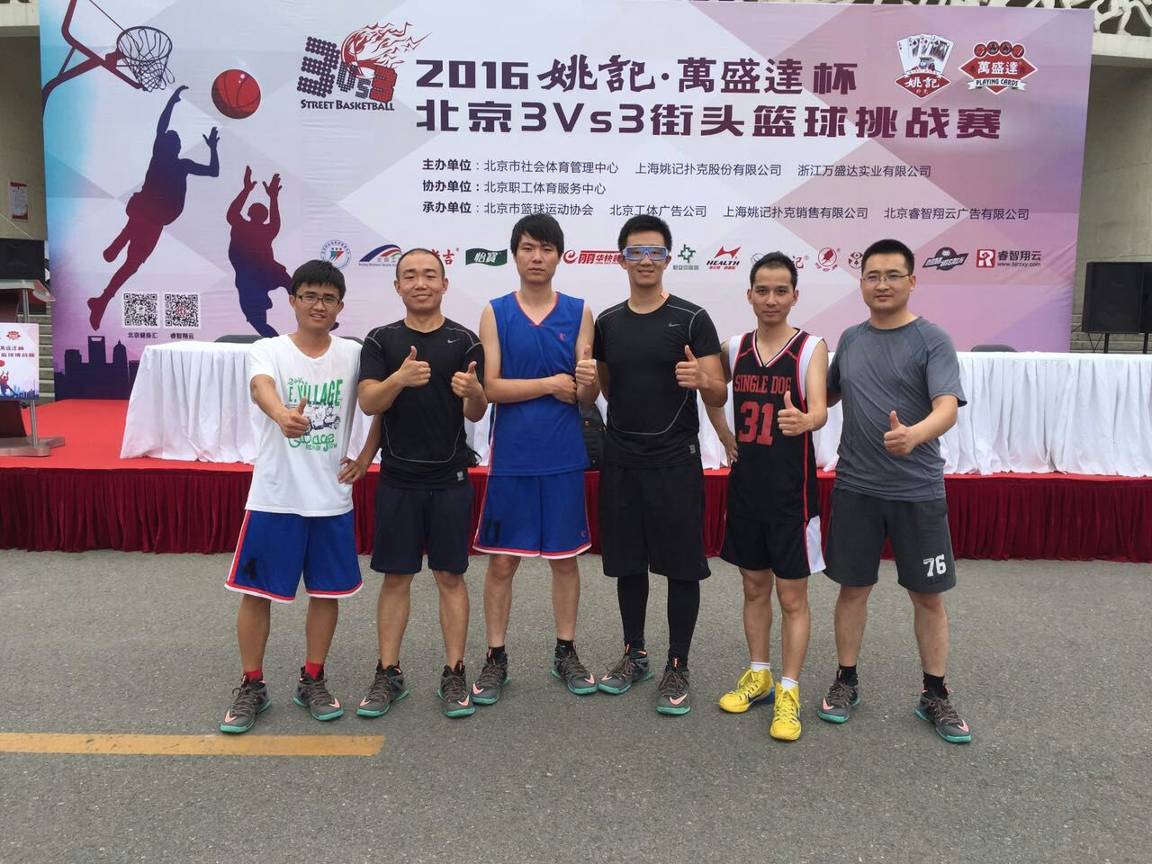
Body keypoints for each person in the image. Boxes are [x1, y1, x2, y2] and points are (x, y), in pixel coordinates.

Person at [817, 238, 972, 744]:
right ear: (861, 282)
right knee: (852, 589)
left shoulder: (932, 340)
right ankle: (846, 681)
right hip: (856, 487)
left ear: (912, 281)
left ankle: (935, 693)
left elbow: (947, 407)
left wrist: (915, 435)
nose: (881, 284)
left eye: (892, 275)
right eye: (872, 275)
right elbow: (827, 394)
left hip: (916, 490)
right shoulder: (851, 339)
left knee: (928, 597)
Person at [219, 259, 379, 734]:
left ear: (340, 307)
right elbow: (260, 388)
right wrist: (281, 415)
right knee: (256, 594)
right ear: (292, 300)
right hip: (275, 497)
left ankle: (313, 678)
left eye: (328, 298)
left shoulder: (353, 354)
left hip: (331, 498)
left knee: (326, 594)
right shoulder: (268, 349)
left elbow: (379, 406)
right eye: (309, 296)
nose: (318, 305)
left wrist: (366, 456)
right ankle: (252, 683)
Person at [593, 214, 725, 716]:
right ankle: (635, 654)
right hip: (623, 459)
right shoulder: (608, 323)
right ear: (621, 259)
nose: (645, 261)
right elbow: (609, 388)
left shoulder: (692, 319)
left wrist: (702, 380)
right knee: (628, 563)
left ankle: (678, 662)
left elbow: (718, 391)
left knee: (681, 566)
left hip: (675, 459)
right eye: (635, 252)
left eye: (654, 252)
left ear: (668, 259)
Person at [471, 213, 599, 705]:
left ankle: (566, 651)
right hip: (513, 457)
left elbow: (584, 395)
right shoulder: (496, 311)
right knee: (502, 563)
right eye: (528, 248)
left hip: (563, 454)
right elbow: (491, 387)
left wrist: (587, 385)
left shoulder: (580, 312)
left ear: (560, 256)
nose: (537, 257)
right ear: (515, 255)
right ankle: (495, 657)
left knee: (565, 562)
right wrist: (549, 384)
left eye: (546, 249)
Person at [355, 248, 487, 719]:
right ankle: (388, 672)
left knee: (450, 577)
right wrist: (399, 378)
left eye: (430, 275)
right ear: (397, 287)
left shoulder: (465, 341)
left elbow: (476, 412)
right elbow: (370, 402)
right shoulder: (381, 340)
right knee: (396, 578)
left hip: (451, 480)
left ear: (445, 284)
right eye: (409, 276)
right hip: (398, 480)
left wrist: (475, 393)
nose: (420, 283)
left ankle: (454, 672)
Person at [706, 253, 828, 741]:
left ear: (795, 295)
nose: (771, 299)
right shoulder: (735, 346)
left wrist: (806, 420)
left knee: (792, 595)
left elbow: (820, 409)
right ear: (750, 295)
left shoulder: (811, 347)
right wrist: (722, 432)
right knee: (753, 587)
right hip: (747, 490)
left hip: (792, 496)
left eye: (781, 291)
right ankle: (758, 674)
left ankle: (789, 689)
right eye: (763, 290)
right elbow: (710, 389)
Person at [91, 85, 219, 330]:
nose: (174, 143)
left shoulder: (180, 164)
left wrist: (213, 148)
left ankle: (104, 296)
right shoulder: (163, 158)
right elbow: (162, 127)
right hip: (146, 213)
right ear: (168, 146)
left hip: (153, 218)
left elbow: (213, 171)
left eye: (176, 141)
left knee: (133, 262)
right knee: (141, 219)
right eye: (172, 140)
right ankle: (119, 246)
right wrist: (171, 102)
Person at [227, 166, 293, 337]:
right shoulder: (253, 227)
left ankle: (276, 340)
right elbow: (275, 220)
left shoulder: (242, 225)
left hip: (261, 276)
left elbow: (233, 212)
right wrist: (272, 197)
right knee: (259, 320)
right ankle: (276, 344)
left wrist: (247, 190)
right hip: (254, 278)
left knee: (293, 289)